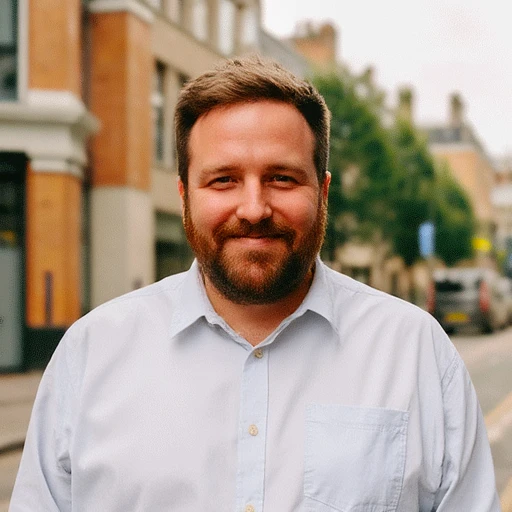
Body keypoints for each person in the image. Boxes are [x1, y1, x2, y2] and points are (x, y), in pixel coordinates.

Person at [11, 56, 499, 512]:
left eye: (282, 178)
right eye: (223, 180)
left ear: (322, 191)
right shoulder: (91, 355)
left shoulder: (415, 353)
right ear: (184, 195)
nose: (253, 208)